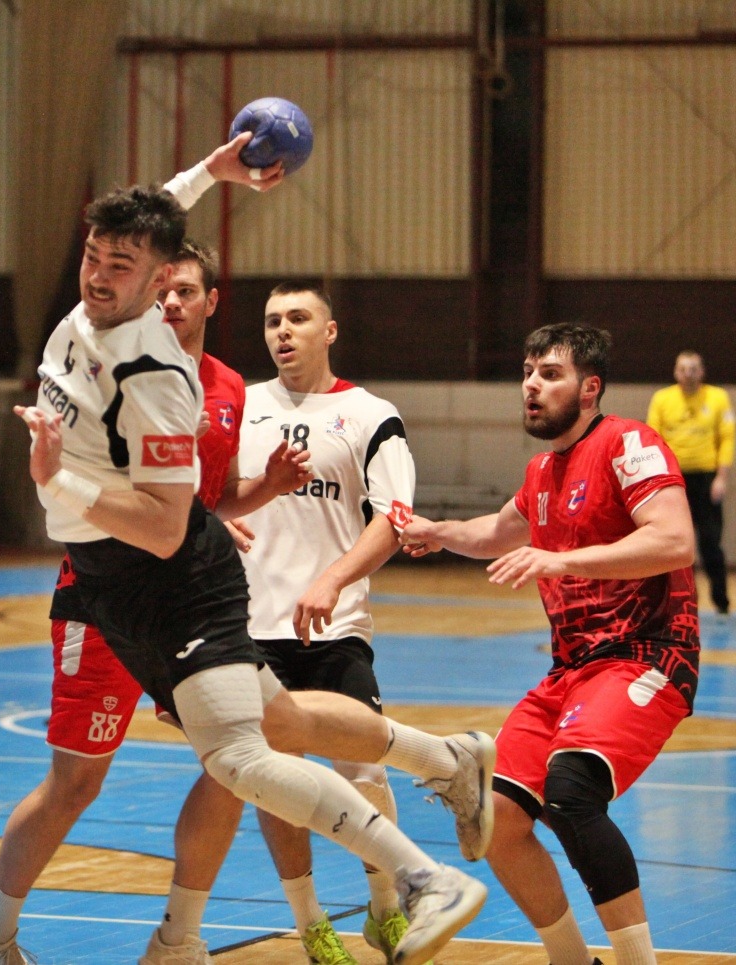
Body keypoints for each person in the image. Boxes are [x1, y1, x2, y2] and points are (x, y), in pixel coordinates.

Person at [0, 135, 490, 965]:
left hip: (174, 581)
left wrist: (60, 481)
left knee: (239, 759)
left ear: (176, 288)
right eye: (92, 257)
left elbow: (167, 523)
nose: (100, 274)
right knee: (274, 727)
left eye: (125, 267)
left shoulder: (166, 376)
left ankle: (418, 877)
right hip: (122, 581)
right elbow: (144, 224)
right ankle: (443, 760)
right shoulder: (90, 319)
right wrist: (211, 173)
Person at [0, 234, 312, 965]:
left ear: (211, 302)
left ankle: (177, 938)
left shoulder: (228, 389)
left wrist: (267, 488)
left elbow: (206, 500)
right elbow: (105, 494)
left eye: (186, 291)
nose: (171, 301)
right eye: (163, 289)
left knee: (235, 760)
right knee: (75, 782)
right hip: (103, 599)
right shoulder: (112, 368)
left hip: (182, 606)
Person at [146, 282, 495, 965]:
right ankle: (311, 925)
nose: (283, 331)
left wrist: (333, 578)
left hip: (336, 624)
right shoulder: (238, 406)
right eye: (272, 320)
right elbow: (206, 495)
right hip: (248, 624)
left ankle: (387, 903)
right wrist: (214, 518)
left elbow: (394, 518)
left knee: (361, 769)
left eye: (298, 318)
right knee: (270, 783)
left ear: (329, 331)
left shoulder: (370, 414)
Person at [400, 324, 701, 965]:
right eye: (528, 372)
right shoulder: (541, 471)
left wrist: (561, 561)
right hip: (571, 670)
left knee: (570, 792)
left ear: (590, 388)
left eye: (550, 374)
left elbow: (675, 540)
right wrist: (439, 531)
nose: (531, 386)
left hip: (646, 654)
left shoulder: (628, 442)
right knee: (497, 817)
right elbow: (497, 531)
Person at [646, 351, 735, 615]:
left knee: (710, 542)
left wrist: (721, 478)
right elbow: (652, 438)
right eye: (683, 369)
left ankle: (721, 603)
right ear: (676, 372)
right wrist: (656, 479)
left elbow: (727, 438)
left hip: (707, 479)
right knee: (676, 543)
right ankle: (683, 603)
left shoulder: (718, 398)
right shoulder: (662, 399)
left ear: (702, 371)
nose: (688, 373)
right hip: (673, 479)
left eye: (694, 368)